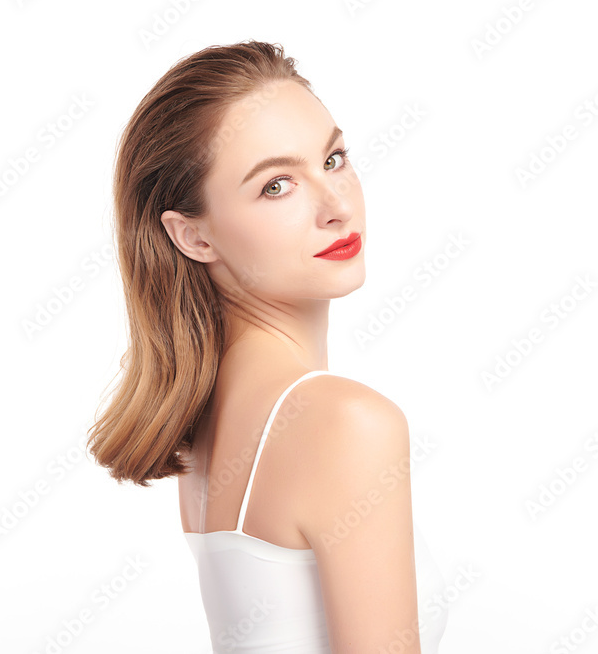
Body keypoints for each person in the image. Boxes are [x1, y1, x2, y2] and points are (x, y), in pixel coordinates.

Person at [86, 40, 448, 653]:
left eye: (333, 159)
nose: (337, 207)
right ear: (193, 236)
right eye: (277, 186)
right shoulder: (342, 422)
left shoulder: (210, 416)